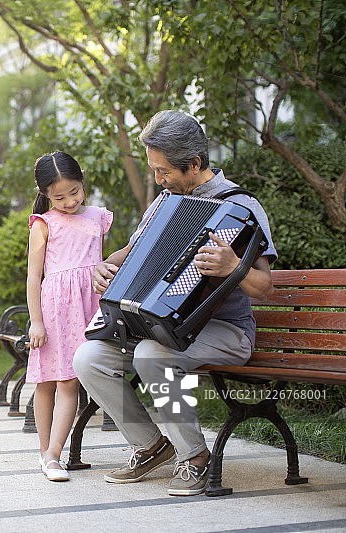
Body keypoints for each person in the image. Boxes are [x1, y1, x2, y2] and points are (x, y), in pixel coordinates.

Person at [74, 110, 276, 496]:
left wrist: (234, 266)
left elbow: (264, 287)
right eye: (153, 169)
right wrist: (106, 266)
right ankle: (150, 445)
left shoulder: (242, 207)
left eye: (163, 171)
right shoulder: (165, 202)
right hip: (164, 328)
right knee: (89, 358)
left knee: (152, 353)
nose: (157, 180)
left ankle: (196, 458)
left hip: (228, 332)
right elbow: (132, 252)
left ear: (195, 164)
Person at [26, 151, 113, 481]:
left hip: (89, 305)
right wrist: (36, 321)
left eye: (74, 192)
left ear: (83, 183)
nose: (68, 201)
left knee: (68, 379)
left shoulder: (98, 217)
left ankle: (54, 454)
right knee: (46, 381)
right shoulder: (43, 224)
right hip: (56, 310)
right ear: (45, 194)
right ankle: (44, 452)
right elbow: (34, 276)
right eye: (59, 197)